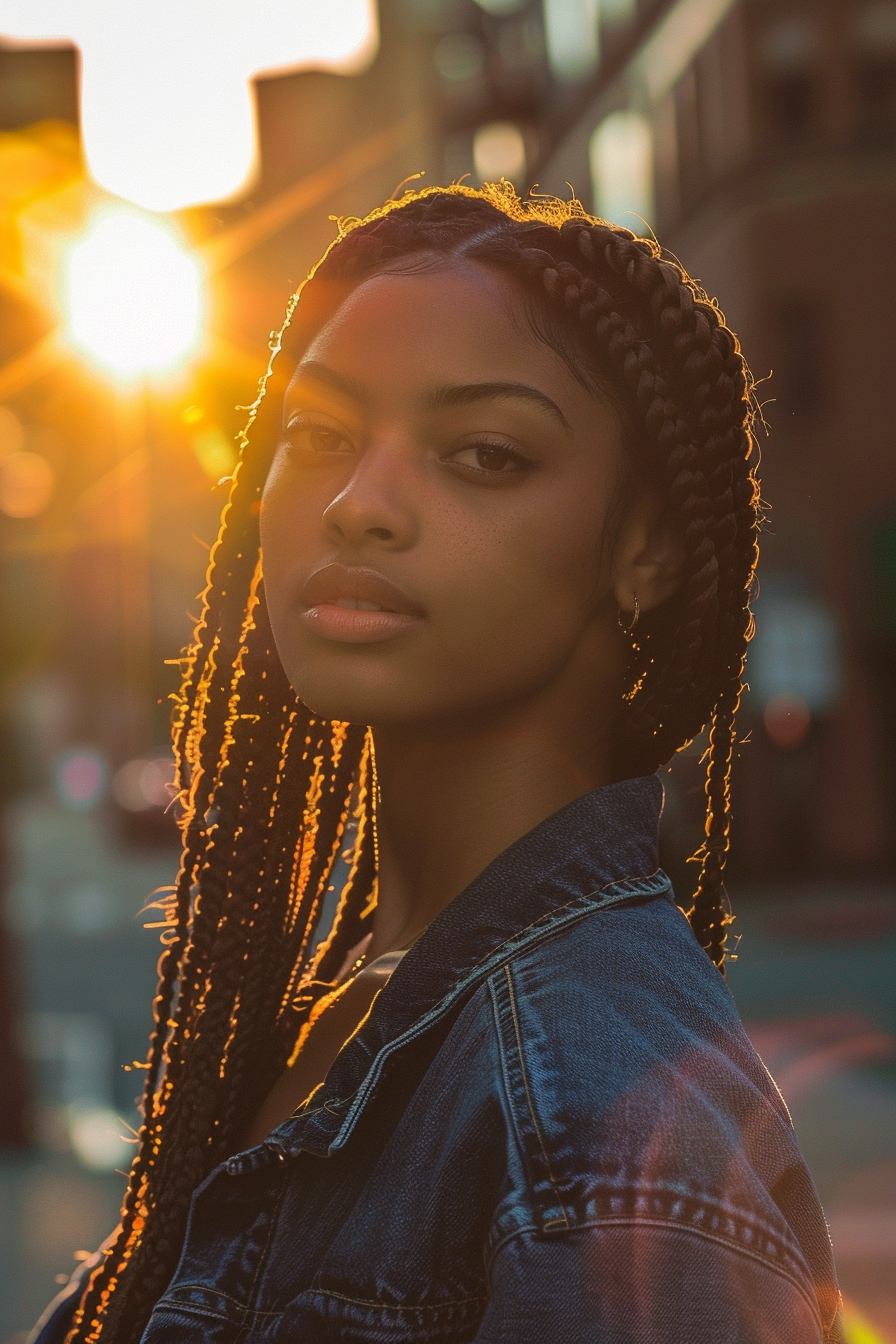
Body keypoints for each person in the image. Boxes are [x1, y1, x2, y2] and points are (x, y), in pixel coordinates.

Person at [32, 184, 843, 1343]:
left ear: (648, 551)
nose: (360, 506)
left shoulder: (603, 1144)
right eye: (317, 437)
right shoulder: (346, 1001)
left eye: (483, 454)